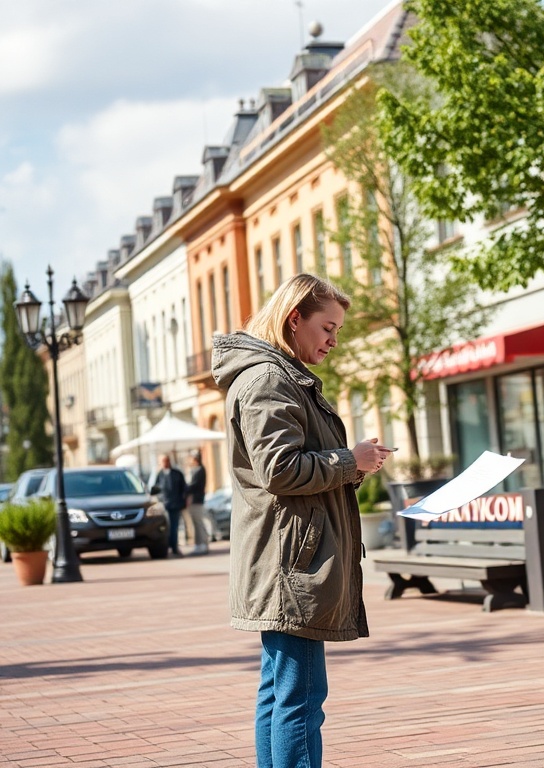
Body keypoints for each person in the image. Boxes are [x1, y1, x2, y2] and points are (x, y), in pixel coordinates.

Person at [211, 273, 393, 768]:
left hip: (288, 559)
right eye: (327, 328)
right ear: (295, 319)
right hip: (293, 566)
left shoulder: (277, 376)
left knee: (281, 692)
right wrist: (348, 461)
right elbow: (281, 470)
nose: (334, 340)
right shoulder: (269, 379)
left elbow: (296, 466)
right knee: (300, 698)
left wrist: (356, 462)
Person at [152, 453, 187, 557]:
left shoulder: (177, 473)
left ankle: (175, 548)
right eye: (162, 461)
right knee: (165, 527)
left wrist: (183, 502)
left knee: (174, 527)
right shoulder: (159, 475)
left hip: (175, 505)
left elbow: (183, 489)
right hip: (164, 505)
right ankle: (166, 548)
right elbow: (155, 490)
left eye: (166, 461)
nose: (165, 463)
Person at [185, 450, 209, 556]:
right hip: (195, 500)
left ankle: (202, 544)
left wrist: (184, 489)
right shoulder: (196, 469)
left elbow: (193, 485)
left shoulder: (199, 470)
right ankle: (199, 544)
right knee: (196, 523)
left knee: (198, 523)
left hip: (197, 500)